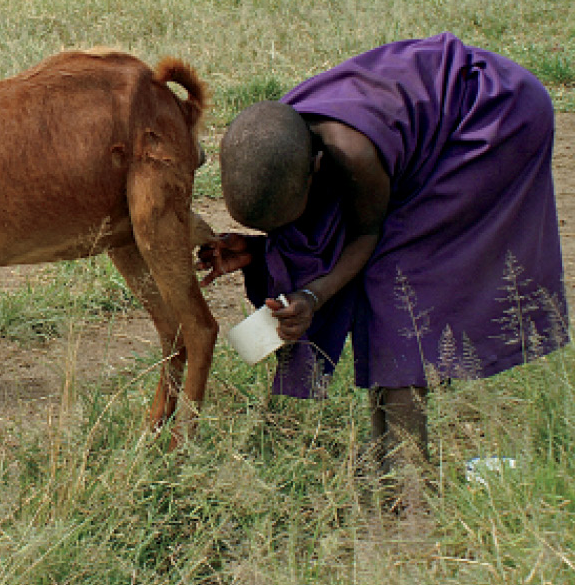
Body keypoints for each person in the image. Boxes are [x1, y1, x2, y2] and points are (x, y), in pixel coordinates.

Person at [199, 33, 569, 509]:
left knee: (399, 286)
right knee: (385, 278)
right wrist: (258, 251)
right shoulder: (274, 134)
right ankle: (386, 459)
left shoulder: (353, 153)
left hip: (494, 119)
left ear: (317, 166)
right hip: (439, 111)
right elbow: (315, 225)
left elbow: (365, 236)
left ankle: (407, 481)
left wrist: (311, 298)